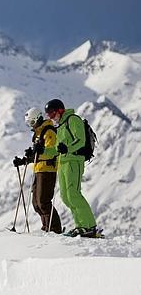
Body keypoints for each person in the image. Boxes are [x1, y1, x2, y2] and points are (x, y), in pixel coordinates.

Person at [40, 99, 98, 237]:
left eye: (52, 113)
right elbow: (56, 150)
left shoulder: (73, 119)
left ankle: (89, 226)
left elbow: (80, 140)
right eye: (49, 115)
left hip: (74, 161)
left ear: (60, 110)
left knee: (73, 193)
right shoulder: (60, 126)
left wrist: (68, 148)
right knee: (66, 197)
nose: (51, 117)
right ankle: (80, 226)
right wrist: (40, 151)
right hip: (63, 163)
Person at [13, 107, 62, 233]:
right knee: (36, 203)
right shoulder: (39, 133)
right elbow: (37, 153)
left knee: (43, 201)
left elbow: (51, 152)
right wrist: (24, 160)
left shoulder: (48, 132)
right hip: (39, 169)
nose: (31, 126)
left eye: (32, 123)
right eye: (29, 123)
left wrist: (37, 153)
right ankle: (46, 227)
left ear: (37, 119)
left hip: (47, 169)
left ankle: (54, 229)